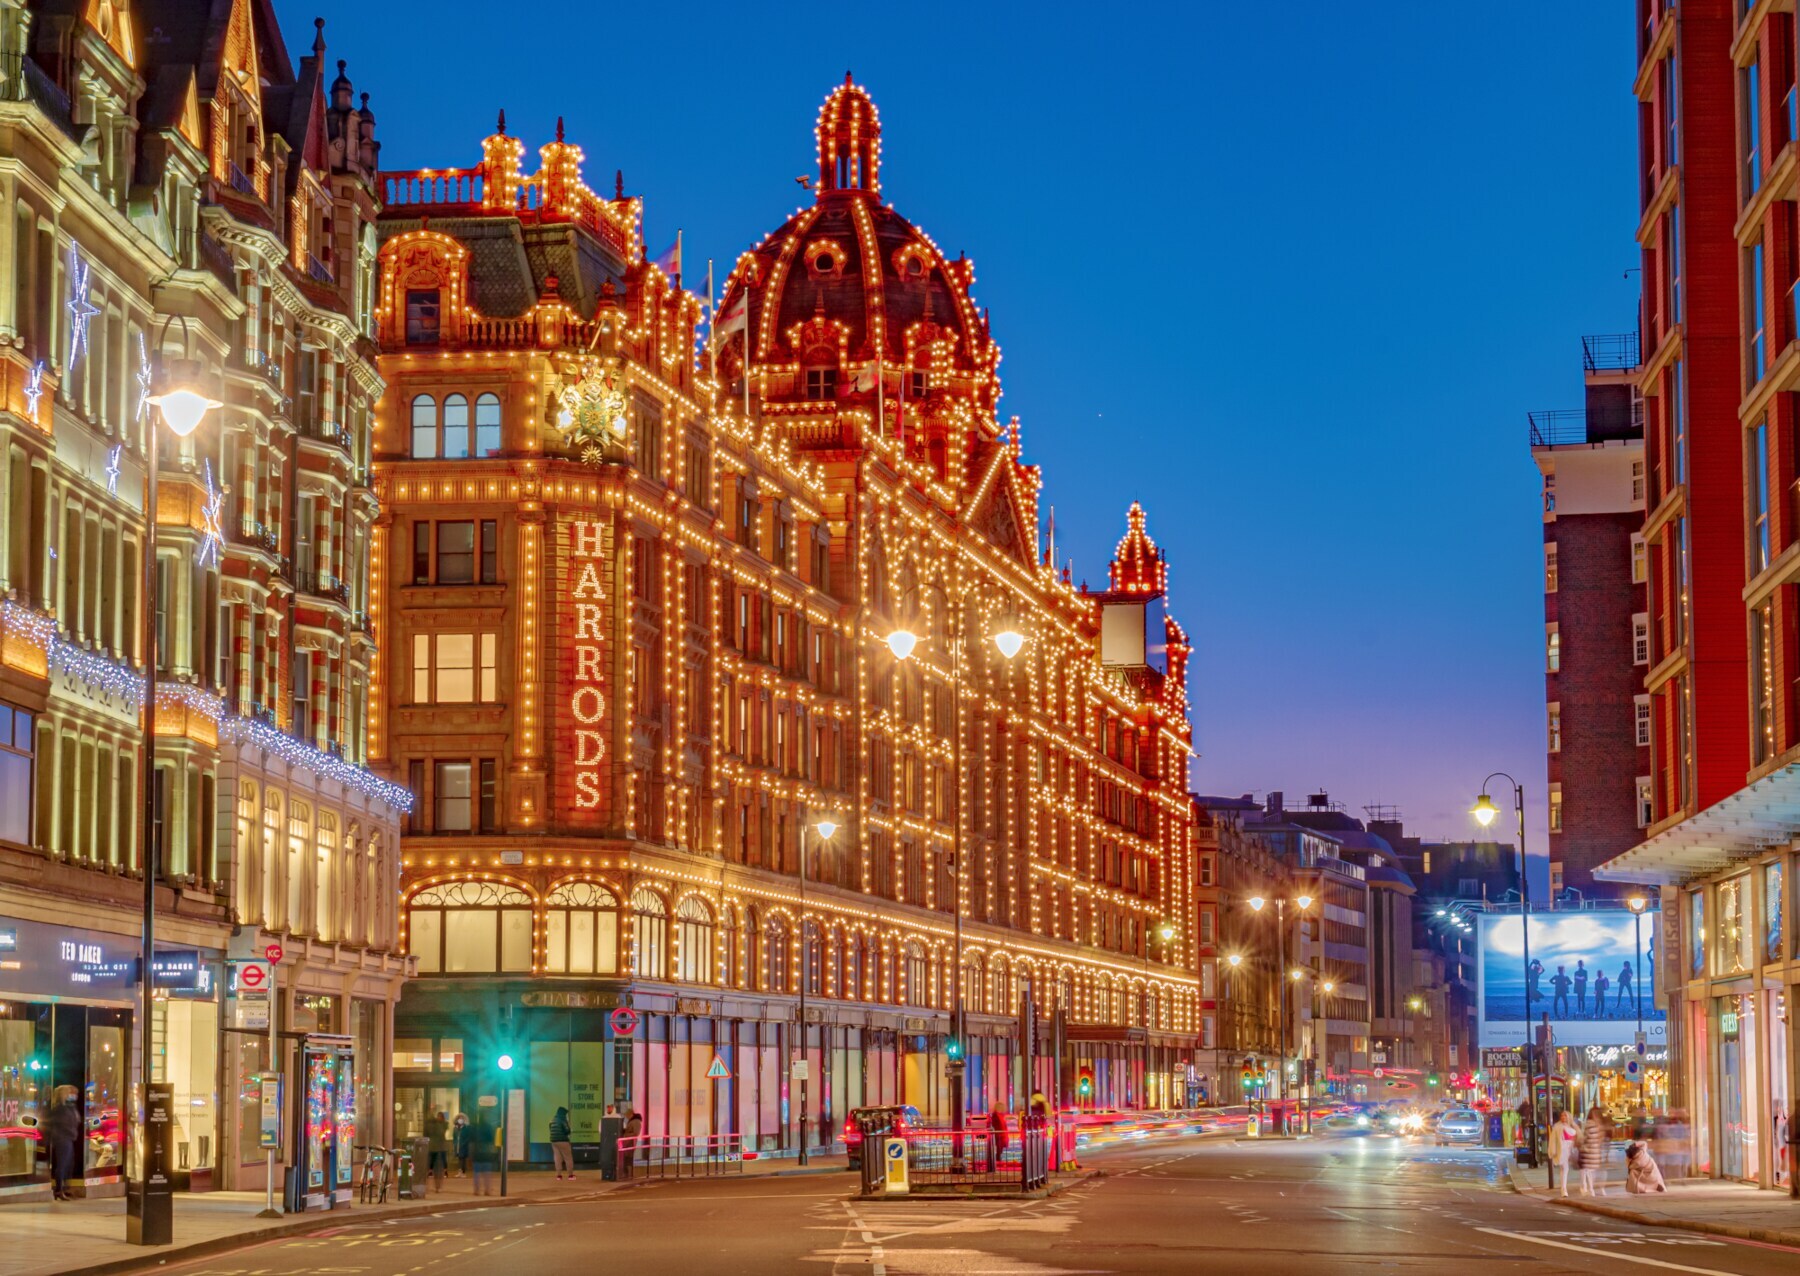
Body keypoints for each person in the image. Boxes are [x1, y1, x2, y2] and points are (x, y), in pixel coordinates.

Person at [43, 1090, 81, 1201]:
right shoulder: (60, 1109)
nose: (74, 1095)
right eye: (71, 1093)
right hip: (62, 1139)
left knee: (69, 1164)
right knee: (62, 1165)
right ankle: (59, 1190)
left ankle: (64, 1189)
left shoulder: (69, 1107)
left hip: (68, 1138)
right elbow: (62, 1123)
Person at [1579, 1105, 1609, 1196]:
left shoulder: (1597, 1124)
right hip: (1591, 1150)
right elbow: (1585, 1137)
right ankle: (1590, 1189)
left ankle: (1595, 1188)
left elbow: (1601, 1137)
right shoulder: (1591, 1124)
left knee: (1595, 1171)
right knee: (1590, 1170)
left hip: (1596, 1150)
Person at [1551, 1109, 1580, 1196]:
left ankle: (1584, 1187)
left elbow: (1578, 1138)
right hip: (1562, 1149)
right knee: (1564, 1168)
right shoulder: (1558, 1127)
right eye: (1562, 1116)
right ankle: (1563, 1189)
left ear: (1568, 1117)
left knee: (1580, 1169)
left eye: (1565, 1115)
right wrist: (1553, 1150)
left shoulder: (1574, 1126)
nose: (1563, 1117)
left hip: (1571, 1149)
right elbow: (1553, 1140)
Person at [470, 1111, 498, 1196]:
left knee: (476, 1172)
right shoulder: (489, 1127)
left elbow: (472, 1141)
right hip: (486, 1151)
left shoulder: (475, 1127)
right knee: (487, 1172)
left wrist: (471, 1154)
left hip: (477, 1152)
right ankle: (487, 1190)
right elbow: (492, 1140)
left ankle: (477, 1190)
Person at [425, 1110, 450, 1189]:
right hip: (437, 1147)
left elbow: (426, 1134)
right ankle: (437, 1182)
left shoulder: (439, 1125)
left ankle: (434, 1172)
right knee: (438, 1163)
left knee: (437, 1162)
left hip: (436, 1147)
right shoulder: (438, 1125)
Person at [549, 1106, 574, 1180]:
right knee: (568, 1158)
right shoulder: (562, 1120)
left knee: (557, 1158)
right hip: (563, 1141)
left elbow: (551, 1129)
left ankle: (559, 1176)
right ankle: (570, 1176)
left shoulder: (552, 1120)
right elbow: (567, 1131)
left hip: (554, 1141)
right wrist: (570, 1128)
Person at [619, 1109, 643, 1180]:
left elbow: (636, 1133)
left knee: (628, 1157)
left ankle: (629, 1174)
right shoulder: (634, 1121)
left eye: (627, 1116)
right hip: (628, 1142)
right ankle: (627, 1174)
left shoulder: (636, 1122)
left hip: (630, 1142)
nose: (627, 1117)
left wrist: (626, 1134)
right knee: (627, 1157)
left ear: (631, 1114)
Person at [987, 1106, 1009, 1171]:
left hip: (1001, 1135)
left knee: (999, 1151)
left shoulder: (999, 1116)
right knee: (999, 1150)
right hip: (999, 1136)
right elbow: (999, 1126)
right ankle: (996, 1163)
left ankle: (997, 1163)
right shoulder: (997, 1116)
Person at [453, 1112, 472, 1177]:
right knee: (459, 1158)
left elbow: (468, 1137)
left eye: (461, 1118)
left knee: (463, 1159)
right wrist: (455, 1143)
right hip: (457, 1145)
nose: (460, 1119)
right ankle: (459, 1171)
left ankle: (463, 1172)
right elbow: (454, 1137)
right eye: (459, 1118)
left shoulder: (466, 1128)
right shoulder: (455, 1128)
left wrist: (464, 1143)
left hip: (463, 1146)